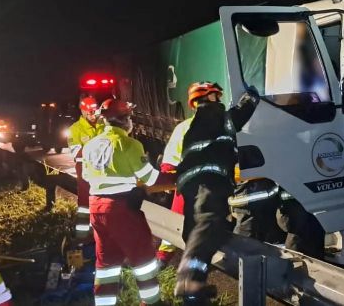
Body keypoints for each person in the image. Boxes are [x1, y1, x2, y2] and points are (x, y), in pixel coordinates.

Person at [173, 85, 258, 304]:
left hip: (191, 182)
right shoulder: (213, 113)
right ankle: (189, 280)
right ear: (208, 96)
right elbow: (236, 118)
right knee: (209, 221)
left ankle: (194, 294)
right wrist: (251, 99)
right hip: (208, 180)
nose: (219, 98)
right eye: (216, 95)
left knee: (195, 230)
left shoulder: (197, 123)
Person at [82, 99, 171, 306]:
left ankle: (104, 303)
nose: (131, 121)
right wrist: (178, 178)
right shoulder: (129, 144)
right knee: (143, 260)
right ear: (123, 120)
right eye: (129, 117)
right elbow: (150, 178)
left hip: (97, 207)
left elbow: (87, 176)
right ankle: (153, 303)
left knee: (106, 264)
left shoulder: (90, 145)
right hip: (121, 208)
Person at [155, 82, 224, 263]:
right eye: (211, 98)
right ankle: (162, 259)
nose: (216, 102)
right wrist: (169, 175)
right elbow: (170, 159)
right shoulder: (185, 128)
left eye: (216, 98)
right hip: (191, 187)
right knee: (177, 222)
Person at [67, 96, 104, 241]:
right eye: (89, 112)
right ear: (82, 111)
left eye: (94, 111)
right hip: (85, 172)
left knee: (103, 203)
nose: (92, 115)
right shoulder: (74, 130)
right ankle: (82, 237)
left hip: (103, 171)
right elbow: (76, 152)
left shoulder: (103, 126)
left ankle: (99, 234)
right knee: (84, 205)